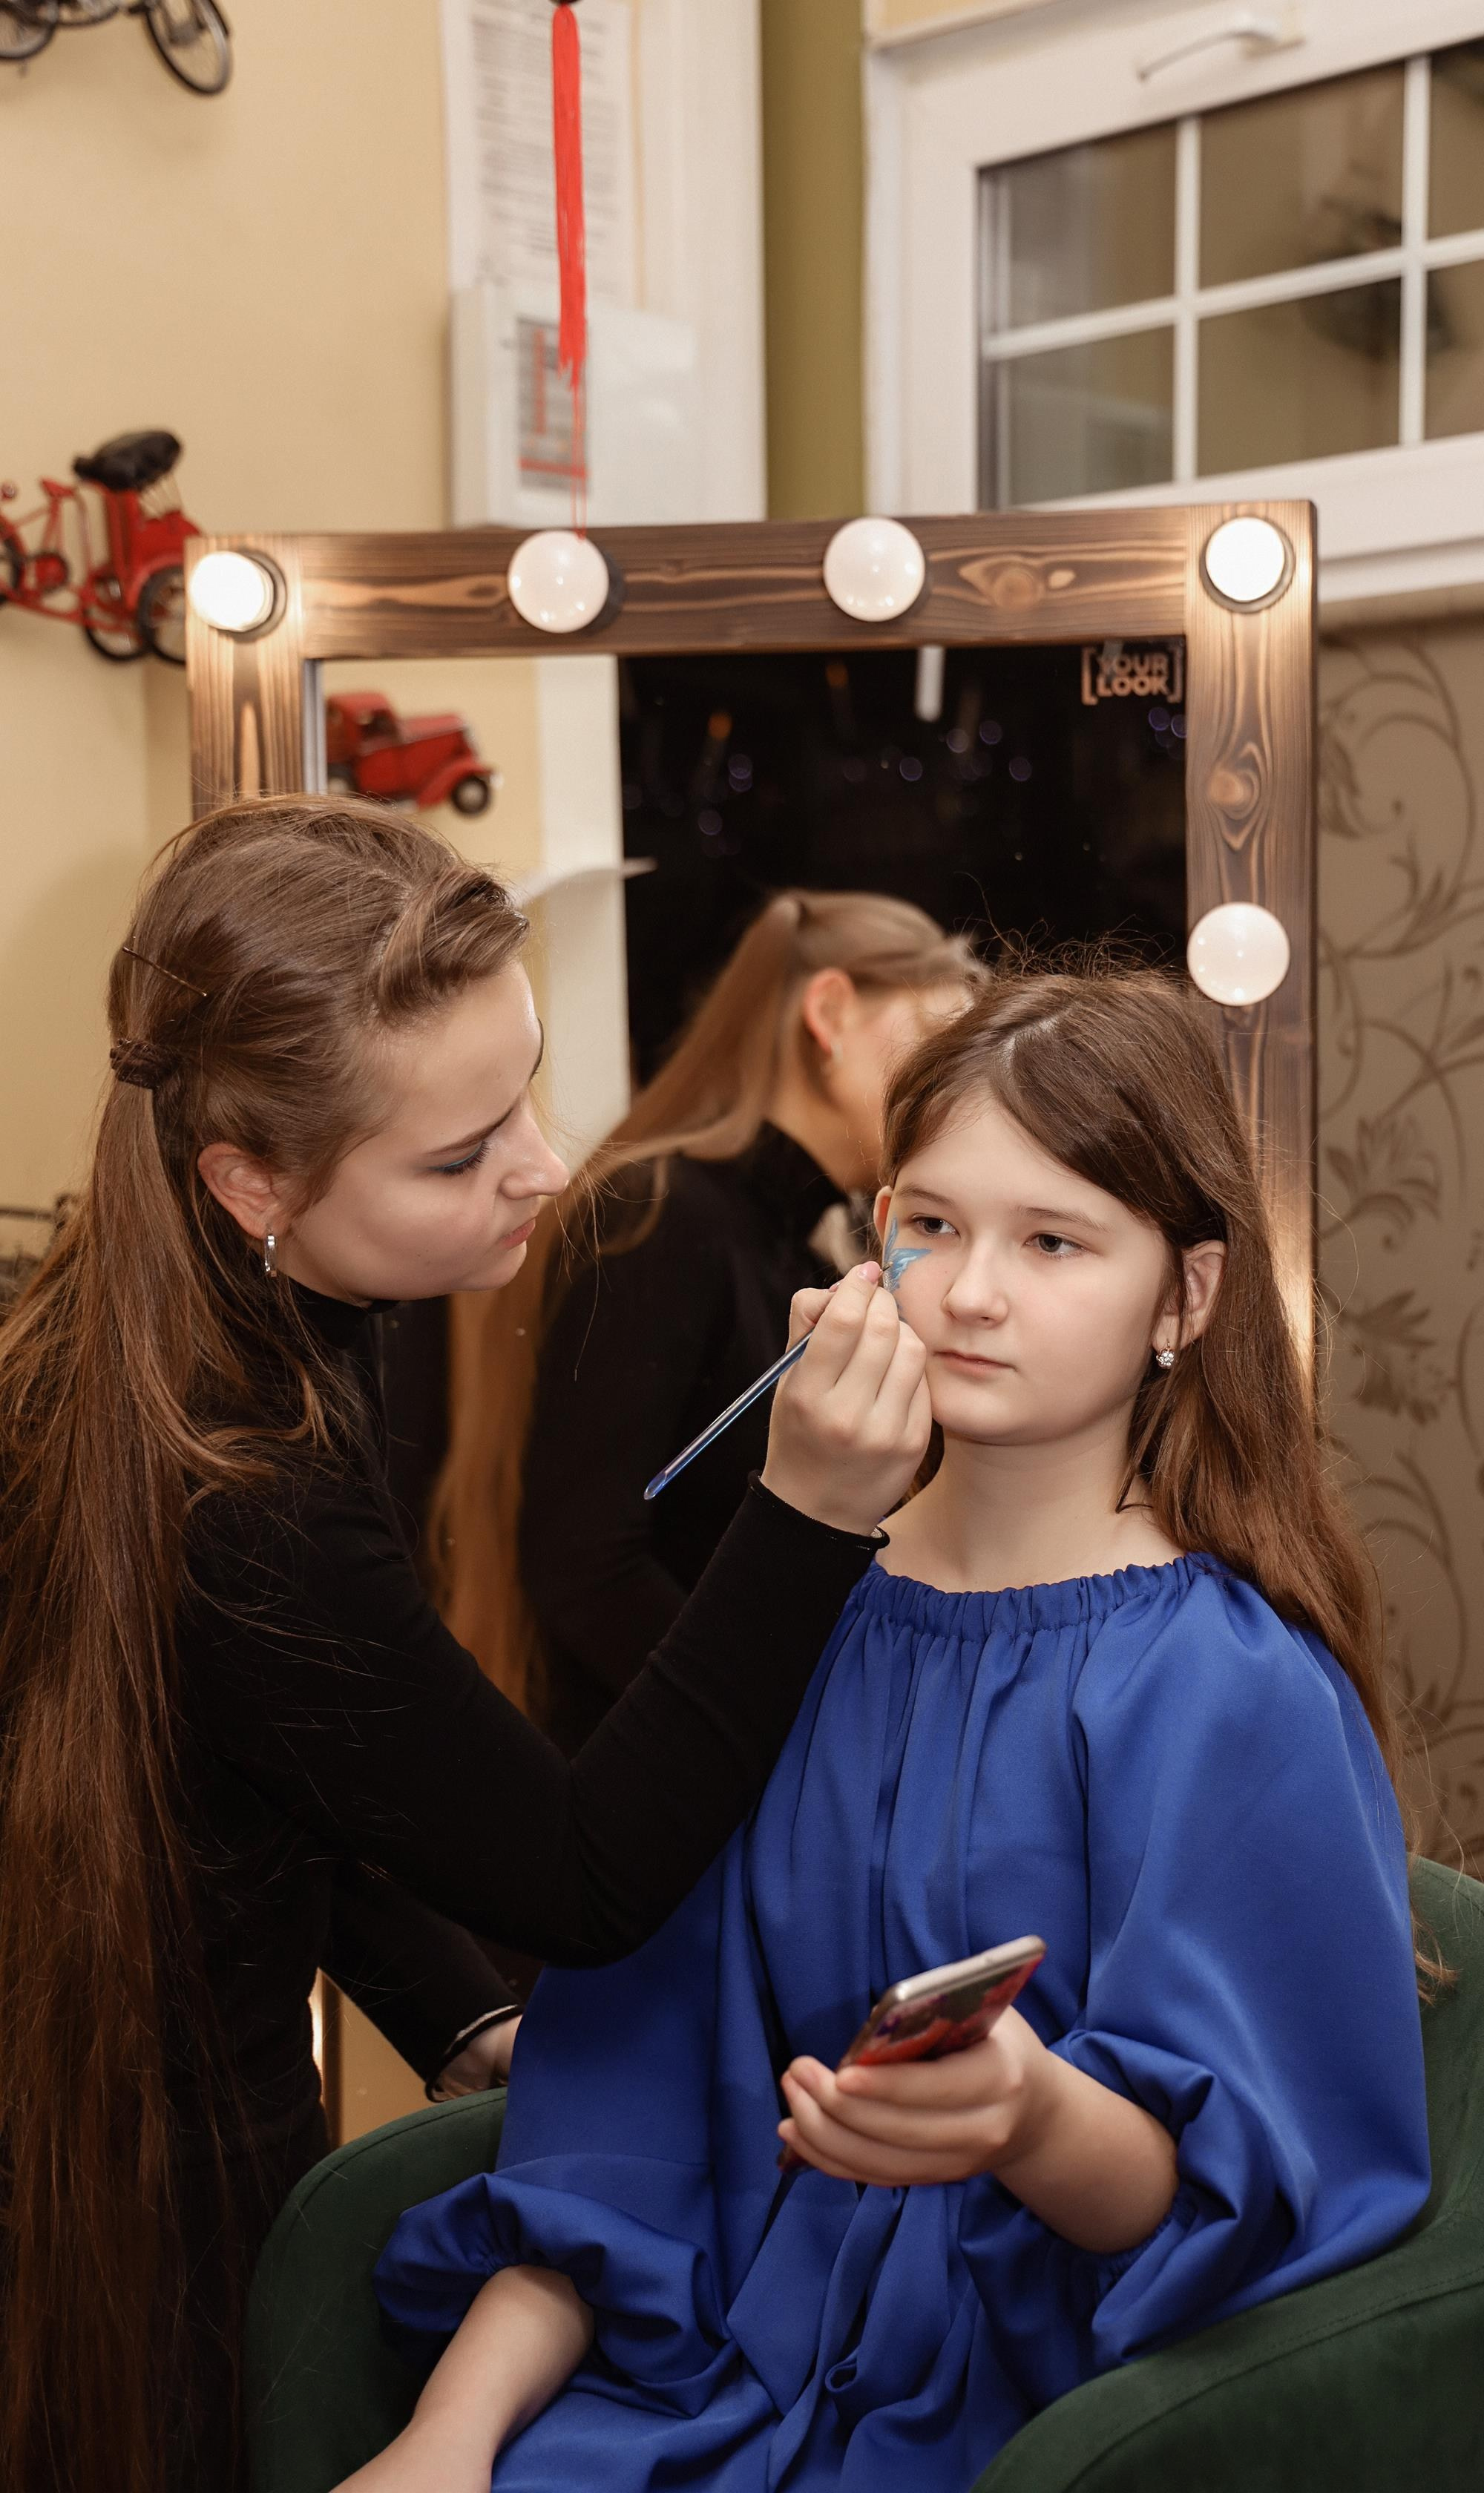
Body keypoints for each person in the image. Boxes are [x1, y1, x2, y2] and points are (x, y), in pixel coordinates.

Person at [351, 965, 1434, 2493]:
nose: (970, 1292)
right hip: (710, 2369)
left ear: (1183, 1296)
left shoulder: (1227, 1686)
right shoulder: (786, 1631)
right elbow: (620, 2128)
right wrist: (449, 2439)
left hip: (1053, 2423)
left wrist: (1028, 2114)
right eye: (927, 1225)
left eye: (1054, 1241)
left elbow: (1244, 2213)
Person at [0, 798, 930, 2493]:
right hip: (128, 2188)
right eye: (459, 1151)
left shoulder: (154, 1324)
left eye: (526, 1088)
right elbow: (584, 1878)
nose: (548, 1165)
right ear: (250, 1178)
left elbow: (288, 1752)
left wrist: (450, 2009)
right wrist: (807, 1518)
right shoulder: (240, 1483)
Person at [436, 888, 977, 1747]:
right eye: (934, 1044)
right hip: (641, 1776)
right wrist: (781, 1736)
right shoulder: (663, 1218)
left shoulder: (784, 1244)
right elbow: (584, 1565)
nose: (951, 1091)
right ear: (829, 1012)